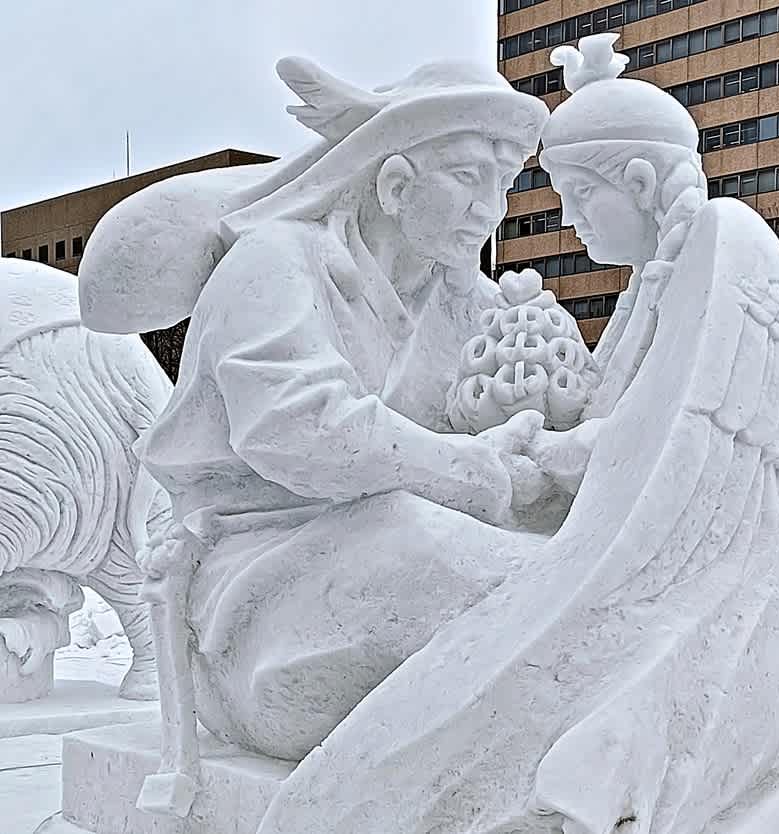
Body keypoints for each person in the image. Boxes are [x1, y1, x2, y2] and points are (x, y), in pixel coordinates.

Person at [256, 37, 779, 834]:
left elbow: (677, 447)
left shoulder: (725, 247)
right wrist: (544, 447)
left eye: (578, 198)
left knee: (568, 652)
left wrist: (553, 459)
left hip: (762, 555)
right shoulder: (651, 287)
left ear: (636, 181)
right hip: (682, 527)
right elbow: (635, 429)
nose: (569, 220)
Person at [83, 56, 551, 761]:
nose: (492, 209)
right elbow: (298, 426)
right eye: (466, 178)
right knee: (455, 560)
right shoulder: (276, 261)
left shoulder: (462, 299)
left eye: (504, 184)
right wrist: (476, 469)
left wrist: (539, 413)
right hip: (253, 599)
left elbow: (499, 426)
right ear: (395, 183)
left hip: (386, 551)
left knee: (554, 568)